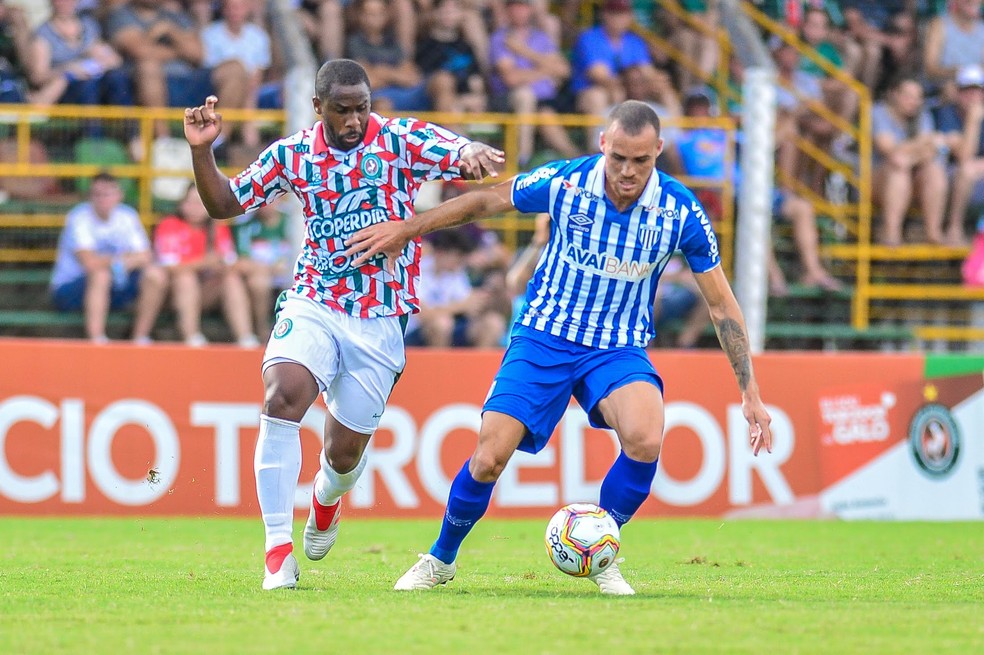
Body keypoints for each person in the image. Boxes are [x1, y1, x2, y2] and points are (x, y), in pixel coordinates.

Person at [345, 100, 774, 595]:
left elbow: (721, 305)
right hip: (544, 335)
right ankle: (440, 559)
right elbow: (487, 202)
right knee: (489, 457)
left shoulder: (680, 212)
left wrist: (750, 392)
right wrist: (408, 228)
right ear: (602, 145)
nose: (627, 171)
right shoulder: (566, 182)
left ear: (658, 150)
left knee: (646, 437)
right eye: (618, 158)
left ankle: (602, 547)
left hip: (616, 347)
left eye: (640, 160)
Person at [182, 58, 504, 591]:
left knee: (343, 454)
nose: (354, 120)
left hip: (380, 317)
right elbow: (224, 204)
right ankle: (277, 552)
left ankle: (326, 497)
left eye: (362, 108)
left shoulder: (399, 139)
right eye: (342, 110)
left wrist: (471, 152)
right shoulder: (292, 154)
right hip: (313, 298)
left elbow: (454, 149)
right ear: (318, 107)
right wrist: (202, 151)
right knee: (282, 398)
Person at [50, 171, 168, 344]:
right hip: (71, 288)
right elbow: (89, 263)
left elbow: (146, 256)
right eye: (97, 194)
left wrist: (116, 261)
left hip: (116, 282)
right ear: (90, 196)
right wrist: (122, 260)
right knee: (101, 275)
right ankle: (97, 340)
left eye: (107, 194)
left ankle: (140, 337)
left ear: (119, 195)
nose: (102, 199)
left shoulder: (127, 216)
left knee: (155, 275)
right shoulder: (79, 217)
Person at [153, 182, 259, 347]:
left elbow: (228, 261)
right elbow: (168, 267)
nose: (195, 208)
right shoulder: (169, 225)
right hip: (172, 294)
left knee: (231, 279)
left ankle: (246, 338)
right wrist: (204, 263)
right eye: (191, 202)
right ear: (182, 204)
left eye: (200, 203)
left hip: (206, 292)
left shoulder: (216, 227)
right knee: (185, 279)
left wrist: (222, 265)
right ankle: (191, 336)